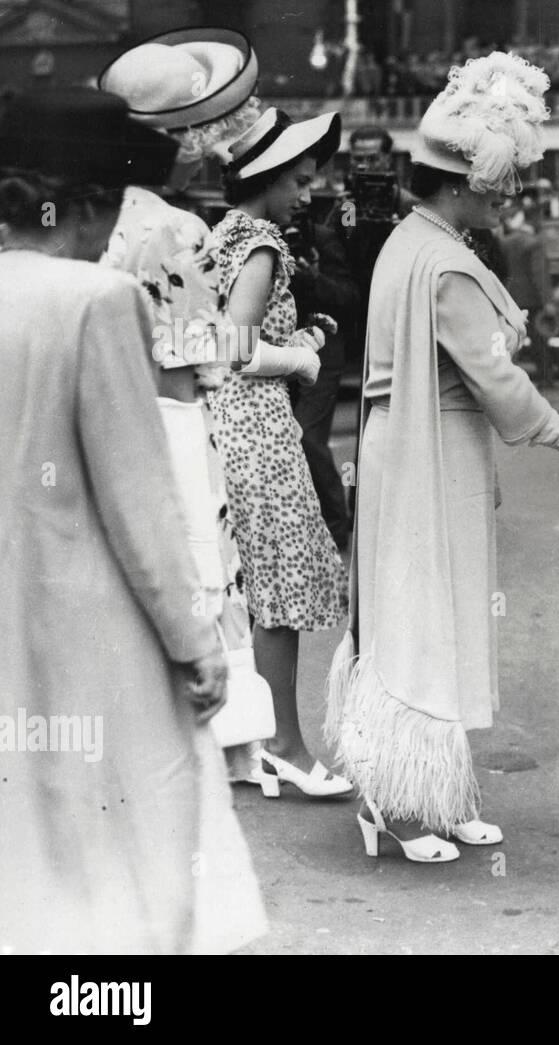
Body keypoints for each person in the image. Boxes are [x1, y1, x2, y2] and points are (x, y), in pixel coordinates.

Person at [326, 53, 559, 862]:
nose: (508, 197)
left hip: (422, 443)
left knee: (428, 614)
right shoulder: (447, 262)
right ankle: (392, 804)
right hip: (428, 447)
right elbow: (498, 380)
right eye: (500, 184)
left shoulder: (414, 241)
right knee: (418, 617)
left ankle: (435, 792)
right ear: (461, 185)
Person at [0, 87, 227, 953]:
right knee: (118, 862)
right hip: (82, 623)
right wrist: (194, 641)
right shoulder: (96, 301)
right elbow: (139, 501)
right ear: (87, 204)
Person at [97, 25, 270, 952]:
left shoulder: (81, 219)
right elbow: (201, 356)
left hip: (80, 431)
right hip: (164, 427)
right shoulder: (177, 229)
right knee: (191, 590)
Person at [208, 106, 354, 797]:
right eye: (297, 180)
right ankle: (285, 745)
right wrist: (301, 359)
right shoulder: (262, 240)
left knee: (257, 587)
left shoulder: (223, 232)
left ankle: (261, 741)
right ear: (264, 176)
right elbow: (235, 346)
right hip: (258, 425)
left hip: (228, 425)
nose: (307, 193)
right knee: (279, 592)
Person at [286, 202, 361, 549]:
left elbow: (348, 297)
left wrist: (312, 278)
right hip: (283, 348)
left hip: (323, 349)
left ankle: (335, 524)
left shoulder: (326, 239)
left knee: (306, 435)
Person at [498, 201, 552, 384]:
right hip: (531, 298)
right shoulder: (534, 243)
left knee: (512, 339)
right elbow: (540, 274)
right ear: (536, 219)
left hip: (510, 296)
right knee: (539, 339)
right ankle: (545, 376)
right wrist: (548, 301)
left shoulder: (507, 241)